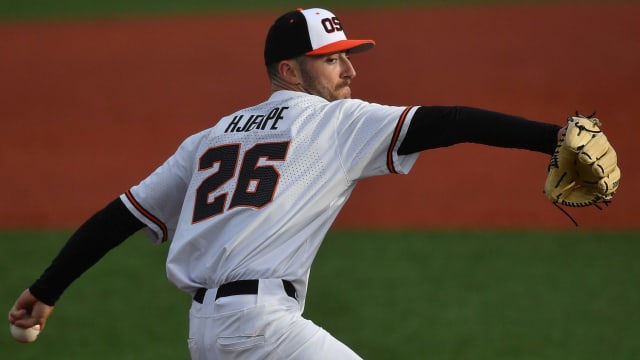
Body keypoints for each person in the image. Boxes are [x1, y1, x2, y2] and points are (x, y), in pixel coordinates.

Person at [9, 7, 563, 359]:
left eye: (348, 56)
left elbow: (120, 217)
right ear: (291, 71)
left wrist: (46, 290)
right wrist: (555, 139)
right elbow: (451, 121)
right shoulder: (333, 121)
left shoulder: (211, 138)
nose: (350, 71)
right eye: (332, 60)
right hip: (259, 329)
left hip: (206, 335)